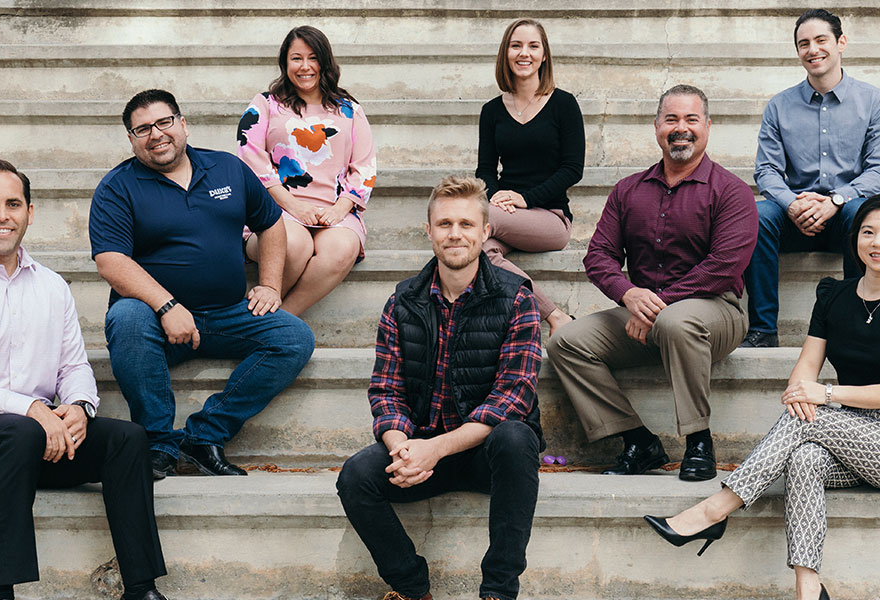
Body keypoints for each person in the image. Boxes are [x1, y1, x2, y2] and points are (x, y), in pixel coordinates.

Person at [645, 194, 880, 600]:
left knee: (810, 419)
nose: (879, 242)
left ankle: (715, 510)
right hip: (850, 437)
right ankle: (808, 586)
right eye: (868, 232)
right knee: (804, 457)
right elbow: (805, 367)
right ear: (855, 239)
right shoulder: (834, 296)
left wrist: (824, 393)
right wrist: (802, 391)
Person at [0, 159, 168, 600]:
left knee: (128, 439)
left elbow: (73, 368)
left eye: (13, 204)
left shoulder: (51, 286)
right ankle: (0, 592)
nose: (2, 215)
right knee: (17, 430)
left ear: (30, 212)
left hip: (39, 441)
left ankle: (141, 589)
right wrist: (31, 408)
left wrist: (79, 408)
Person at [336, 175, 543, 600]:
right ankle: (414, 591)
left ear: (486, 232)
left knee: (516, 437)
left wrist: (436, 448)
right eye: (445, 224)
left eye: (466, 224)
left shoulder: (516, 298)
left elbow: (513, 396)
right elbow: (386, 392)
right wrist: (403, 449)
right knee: (356, 476)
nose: (455, 234)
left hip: (488, 454)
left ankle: (498, 591)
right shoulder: (402, 301)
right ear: (428, 231)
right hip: (424, 454)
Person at [89, 89, 315, 479]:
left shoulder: (226, 168)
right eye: (142, 129)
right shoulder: (118, 186)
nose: (156, 134)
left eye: (164, 122)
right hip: (155, 322)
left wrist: (271, 286)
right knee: (125, 319)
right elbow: (111, 261)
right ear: (131, 139)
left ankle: (204, 436)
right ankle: (157, 444)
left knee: (294, 339)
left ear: (182, 124)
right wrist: (166, 306)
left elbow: (271, 223)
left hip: (228, 313)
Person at [546, 84, 757, 482]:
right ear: (657, 126)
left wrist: (656, 303)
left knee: (676, 321)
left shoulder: (731, 191)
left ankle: (698, 441)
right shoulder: (629, 190)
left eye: (691, 119)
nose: (682, 128)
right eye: (672, 119)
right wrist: (627, 293)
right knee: (565, 341)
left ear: (708, 127)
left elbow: (723, 266)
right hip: (643, 312)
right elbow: (598, 256)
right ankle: (637, 441)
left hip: (716, 311)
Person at [743, 8, 880, 348]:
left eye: (820, 40)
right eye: (803, 44)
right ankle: (764, 329)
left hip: (846, 217)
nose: (812, 49)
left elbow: (879, 172)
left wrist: (834, 201)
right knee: (754, 215)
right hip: (794, 215)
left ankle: (859, 327)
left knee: (864, 213)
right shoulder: (779, 106)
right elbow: (767, 171)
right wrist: (793, 203)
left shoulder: (873, 102)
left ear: (841, 42)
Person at [237, 25, 376, 315]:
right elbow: (248, 155)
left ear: (325, 62)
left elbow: (364, 165)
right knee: (294, 245)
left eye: (313, 58)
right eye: (296, 58)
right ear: (285, 63)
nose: (305, 67)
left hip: (333, 212)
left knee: (342, 249)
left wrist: (341, 208)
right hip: (277, 208)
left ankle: (281, 319)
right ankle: (263, 316)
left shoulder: (349, 109)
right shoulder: (265, 104)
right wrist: (291, 204)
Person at [475, 18, 584, 332]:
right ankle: (555, 316)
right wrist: (496, 195)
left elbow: (572, 169)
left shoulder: (564, 105)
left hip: (549, 216)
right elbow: (485, 169)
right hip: (504, 210)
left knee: (469, 226)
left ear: (544, 55)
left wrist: (524, 199)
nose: (524, 53)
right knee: (479, 250)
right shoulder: (492, 110)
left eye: (533, 46)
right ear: (506, 54)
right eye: (516, 45)